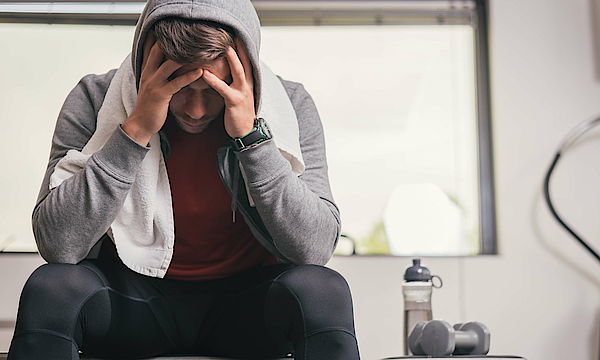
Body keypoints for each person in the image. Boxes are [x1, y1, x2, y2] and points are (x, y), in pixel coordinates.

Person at [7, 1, 361, 359]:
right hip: (131, 299)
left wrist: (253, 139)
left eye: (213, 90)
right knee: (49, 288)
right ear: (144, 64)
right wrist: (135, 131)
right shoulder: (94, 99)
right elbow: (57, 245)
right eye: (178, 87)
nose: (196, 110)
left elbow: (314, 249)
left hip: (246, 304)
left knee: (322, 290)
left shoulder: (290, 106)